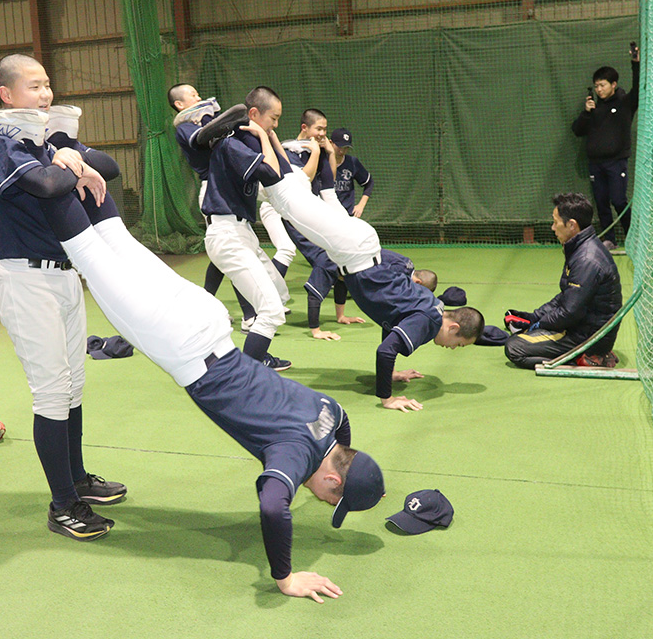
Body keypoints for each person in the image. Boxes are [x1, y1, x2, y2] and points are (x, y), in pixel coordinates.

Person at [23, 145, 385, 602]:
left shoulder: (330, 413)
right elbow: (274, 507)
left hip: (211, 319)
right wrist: (286, 576)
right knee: (92, 254)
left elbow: (343, 429)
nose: (321, 499)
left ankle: (65, 150)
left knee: (120, 243)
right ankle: (43, 163)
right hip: (179, 343)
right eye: (331, 499)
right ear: (333, 481)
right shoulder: (296, 457)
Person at [212, 99, 483, 411]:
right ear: (452, 328)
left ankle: (264, 135)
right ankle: (242, 132)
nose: (452, 349)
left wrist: (391, 371)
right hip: (354, 250)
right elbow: (385, 351)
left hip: (362, 244)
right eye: (458, 345)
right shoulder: (427, 323)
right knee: (283, 196)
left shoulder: (430, 307)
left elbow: (390, 323)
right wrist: (388, 397)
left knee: (291, 188)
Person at [0, 53, 126, 543]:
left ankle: (77, 480)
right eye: (33, 87)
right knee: (52, 391)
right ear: (7, 94)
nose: (44, 95)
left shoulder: (47, 140)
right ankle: (63, 506)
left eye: (46, 86)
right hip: (24, 279)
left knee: (74, 383)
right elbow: (43, 183)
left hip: (64, 277)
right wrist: (64, 162)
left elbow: (111, 167)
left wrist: (70, 154)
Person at [200, 86, 292, 370]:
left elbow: (285, 172)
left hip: (243, 233)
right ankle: (246, 374)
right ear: (253, 115)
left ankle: (256, 356)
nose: (276, 124)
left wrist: (268, 135)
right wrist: (264, 135)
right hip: (227, 233)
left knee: (280, 296)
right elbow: (273, 173)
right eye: (272, 118)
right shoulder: (232, 144)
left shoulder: (246, 143)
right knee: (271, 311)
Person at [167, 83, 258, 331]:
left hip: (231, 183)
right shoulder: (185, 127)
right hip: (213, 189)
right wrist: (219, 119)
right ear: (179, 104)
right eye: (193, 95)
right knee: (233, 251)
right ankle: (250, 315)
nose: (199, 96)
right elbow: (202, 138)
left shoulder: (209, 117)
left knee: (223, 257)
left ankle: (204, 308)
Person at [503, 192, 622, 369]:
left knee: (514, 348)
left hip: (589, 337)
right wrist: (534, 316)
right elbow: (566, 296)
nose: (553, 227)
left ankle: (586, 357)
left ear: (572, 225)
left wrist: (537, 325)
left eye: (556, 222)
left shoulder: (586, 259)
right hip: (585, 328)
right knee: (521, 330)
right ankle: (588, 353)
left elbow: (568, 313)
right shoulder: (581, 248)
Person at [281, 110, 365, 341]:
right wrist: (317, 152)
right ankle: (309, 324)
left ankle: (339, 315)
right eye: (318, 129)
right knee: (322, 260)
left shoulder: (316, 150)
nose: (322, 134)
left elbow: (329, 183)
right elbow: (302, 182)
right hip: (290, 211)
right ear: (305, 127)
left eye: (324, 130)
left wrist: (328, 154)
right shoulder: (292, 151)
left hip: (312, 209)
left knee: (340, 262)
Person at [571, 42, 640, 250]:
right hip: (595, 164)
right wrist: (586, 112)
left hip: (616, 162)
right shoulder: (593, 109)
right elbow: (577, 130)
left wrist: (635, 63)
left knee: (619, 201)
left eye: (603, 85)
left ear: (614, 84)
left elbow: (638, 88)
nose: (599, 89)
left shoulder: (625, 103)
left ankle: (632, 239)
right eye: (597, 85)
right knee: (601, 203)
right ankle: (609, 239)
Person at [330, 128, 375, 218]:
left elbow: (369, 182)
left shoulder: (352, 162)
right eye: (339, 146)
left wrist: (361, 205)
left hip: (347, 215)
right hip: (324, 215)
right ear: (330, 143)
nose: (342, 151)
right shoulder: (320, 162)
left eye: (346, 148)